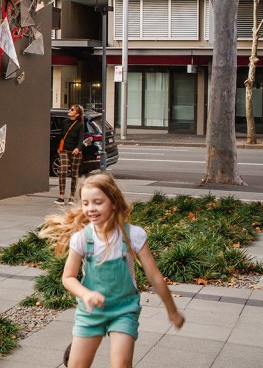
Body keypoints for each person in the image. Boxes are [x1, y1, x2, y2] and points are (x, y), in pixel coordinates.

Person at [40, 173, 184, 368]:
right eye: (86, 203)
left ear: (114, 202)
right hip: (90, 311)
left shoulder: (133, 235)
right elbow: (68, 277)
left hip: (123, 310)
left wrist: (172, 311)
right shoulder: (82, 239)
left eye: (98, 202)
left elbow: (155, 277)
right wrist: (86, 294)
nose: (90, 208)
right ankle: (77, 350)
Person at [55, 104, 86, 204]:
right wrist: (59, 147)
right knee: (62, 171)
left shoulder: (80, 124)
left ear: (77, 114)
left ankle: (72, 197)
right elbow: (61, 135)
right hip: (64, 150)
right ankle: (61, 196)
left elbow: (81, 138)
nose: (69, 110)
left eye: (72, 110)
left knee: (74, 174)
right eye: (70, 109)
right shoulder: (65, 122)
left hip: (75, 152)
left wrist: (78, 148)